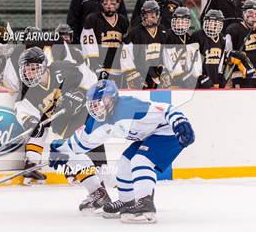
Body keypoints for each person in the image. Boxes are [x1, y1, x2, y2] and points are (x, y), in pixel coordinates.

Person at [48, 79, 195, 223]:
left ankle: (145, 205)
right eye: (92, 104)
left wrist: (180, 122)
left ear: (111, 99)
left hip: (168, 132)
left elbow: (165, 109)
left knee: (140, 160)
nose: (95, 108)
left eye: (99, 102)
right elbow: (81, 143)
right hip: (148, 136)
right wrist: (59, 148)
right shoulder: (98, 121)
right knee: (124, 164)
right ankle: (127, 202)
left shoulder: (129, 107)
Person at [1, 46, 98, 186]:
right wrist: (29, 121)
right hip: (58, 116)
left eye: (33, 68)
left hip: (79, 113)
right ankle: (32, 163)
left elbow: (90, 78)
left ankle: (81, 174)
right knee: (39, 128)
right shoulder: (27, 89)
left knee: (69, 143)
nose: (29, 73)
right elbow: (22, 108)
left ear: (44, 66)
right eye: (26, 69)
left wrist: (81, 93)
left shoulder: (63, 69)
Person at [80, 0, 129, 87]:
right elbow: (87, 44)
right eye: (106, 2)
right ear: (101, 3)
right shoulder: (92, 19)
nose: (109, 5)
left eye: (112, 2)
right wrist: (94, 65)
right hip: (99, 68)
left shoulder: (123, 21)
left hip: (118, 68)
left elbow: (126, 45)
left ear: (118, 3)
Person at [124, 0, 167, 89]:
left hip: (158, 74)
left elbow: (166, 54)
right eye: (146, 15)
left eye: (152, 15)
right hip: (141, 75)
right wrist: (133, 74)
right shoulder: (135, 33)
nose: (149, 18)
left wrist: (165, 70)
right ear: (143, 16)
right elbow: (126, 54)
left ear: (158, 15)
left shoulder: (163, 31)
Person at [162, 7, 202, 88]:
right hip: (170, 74)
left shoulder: (188, 37)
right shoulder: (168, 35)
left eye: (183, 22)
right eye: (178, 22)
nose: (180, 24)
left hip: (184, 74)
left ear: (188, 23)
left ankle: (197, 76)